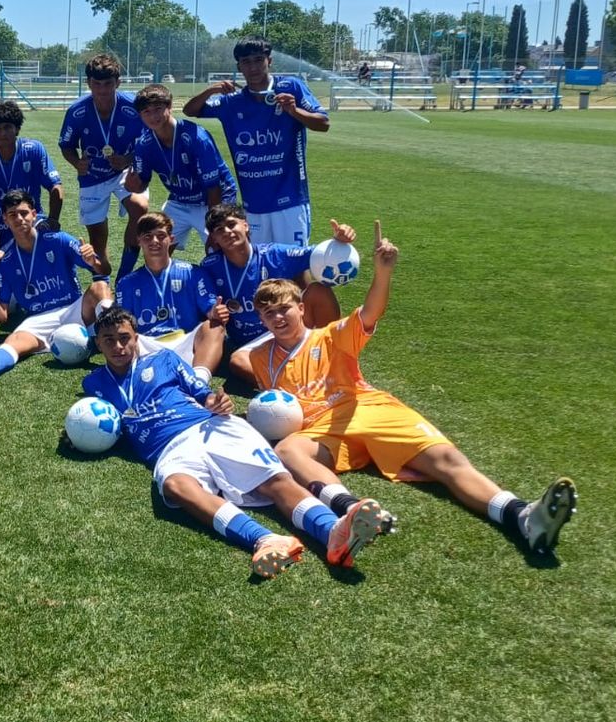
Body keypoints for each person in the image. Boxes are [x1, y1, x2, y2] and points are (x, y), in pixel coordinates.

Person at [244, 223, 577, 557]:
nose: (278, 317)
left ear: (301, 308)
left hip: (367, 408)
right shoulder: (261, 357)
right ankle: (350, 510)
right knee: (288, 450)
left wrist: (383, 272)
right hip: (320, 431)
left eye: (284, 308)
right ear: (261, 319)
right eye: (268, 313)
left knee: (447, 459)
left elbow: (370, 312)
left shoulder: (331, 336)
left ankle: (521, 516)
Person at [81, 306, 391, 578]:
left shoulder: (162, 359)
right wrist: (78, 437)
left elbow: (204, 393)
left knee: (273, 482)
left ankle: (334, 532)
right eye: (109, 340)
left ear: (136, 338)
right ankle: (266, 540)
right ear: (98, 344)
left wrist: (219, 402)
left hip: (208, 426)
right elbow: (103, 425)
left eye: (125, 338)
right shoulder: (93, 383)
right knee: (175, 487)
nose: (119, 346)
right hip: (167, 450)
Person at [0, 191, 113, 389]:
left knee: (100, 287)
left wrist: (94, 261)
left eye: (24, 213)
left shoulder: (58, 240)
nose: (19, 219)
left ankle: (114, 337)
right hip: (39, 318)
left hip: (74, 308)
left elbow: (105, 271)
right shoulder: (6, 262)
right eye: (12, 215)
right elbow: (1, 317)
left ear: (34, 214)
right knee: (15, 339)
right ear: (5, 219)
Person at [184, 37, 330, 246]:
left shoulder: (290, 87)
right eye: (246, 62)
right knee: (258, 268)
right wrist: (211, 90)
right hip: (254, 206)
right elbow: (191, 110)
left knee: (295, 271)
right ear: (239, 66)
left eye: (258, 59)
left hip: (290, 202)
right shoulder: (232, 101)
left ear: (269, 61)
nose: (253, 67)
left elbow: (323, 123)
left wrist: (294, 110)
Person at [198, 204, 350, 380]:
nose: (227, 232)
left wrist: (338, 240)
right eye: (219, 229)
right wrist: (213, 309)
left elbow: (317, 254)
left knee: (319, 290)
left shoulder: (273, 254)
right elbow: (206, 297)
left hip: (290, 328)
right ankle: (293, 383)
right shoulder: (210, 266)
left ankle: (334, 357)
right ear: (214, 238)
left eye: (232, 224)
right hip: (255, 343)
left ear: (246, 225)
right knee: (239, 363)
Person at [58, 54, 149, 278]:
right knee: (98, 239)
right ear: (88, 83)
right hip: (92, 176)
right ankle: (103, 280)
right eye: (96, 84)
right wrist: (77, 163)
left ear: (117, 82)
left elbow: (150, 141)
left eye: (108, 84)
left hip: (125, 171)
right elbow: (66, 145)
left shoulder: (133, 107)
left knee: (140, 208)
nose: (102, 90)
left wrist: (128, 159)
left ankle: (125, 275)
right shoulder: (77, 111)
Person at [127, 84, 238, 253]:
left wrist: (215, 229)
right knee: (157, 248)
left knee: (219, 251)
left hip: (213, 200)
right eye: (146, 112)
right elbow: (142, 182)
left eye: (158, 109)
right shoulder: (144, 144)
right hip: (180, 200)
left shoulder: (196, 138)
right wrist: (134, 186)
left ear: (169, 107)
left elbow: (214, 188)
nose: (153, 116)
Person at [115, 213, 226, 382]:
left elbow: (209, 307)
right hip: (147, 345)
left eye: (161, 236)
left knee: (215, 326)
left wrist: (215, 311)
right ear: (139, 241)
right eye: (147, 237)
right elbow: (122, 323)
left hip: (186, 341)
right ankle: (136, 379)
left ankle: (199, 381)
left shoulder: (193, 273)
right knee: (122, 334)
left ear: (171, 239)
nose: (154, 241)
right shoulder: (126, 283)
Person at [0, 100, 64, 247]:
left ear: (17, 129)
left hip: (30, 221)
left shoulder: (34, 150)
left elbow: (55, 187)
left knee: (57, 247)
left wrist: (53, 219)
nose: (3, 133)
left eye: (7, 127)